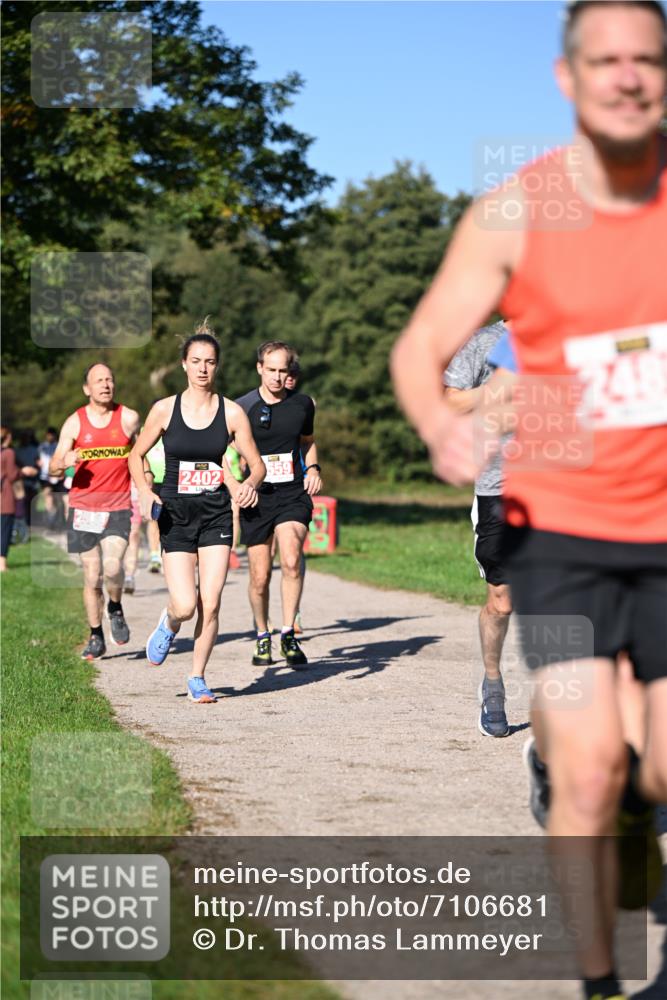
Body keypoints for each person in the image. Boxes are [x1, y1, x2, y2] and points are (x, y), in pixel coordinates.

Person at [391, 4, 667, 999]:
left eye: (647, 59)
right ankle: (601, 983)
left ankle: (621, 801)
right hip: (558, 534)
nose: (627, 76)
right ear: (567, 77)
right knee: (589, 766)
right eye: (606, 59)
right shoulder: (517, 211)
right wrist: (442, 424)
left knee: (658, 768)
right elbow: (421, 351)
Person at [129, 320, 265, 704]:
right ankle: (170, 621)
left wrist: (249, 486)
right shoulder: (164, 410)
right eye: (196, 361)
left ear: (217, 366)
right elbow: (136, 455)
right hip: (175, 515)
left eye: (210, 361)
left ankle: (197, 677)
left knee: (212, 600)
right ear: (184, 365)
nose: (203, 368)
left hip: (216, 514)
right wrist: (145, 490)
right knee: (186, 604)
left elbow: (257, 465)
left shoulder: (232, 413)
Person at [444, 321, 512, 737]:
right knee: (502, 603)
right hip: (498, 486)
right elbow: (451, 400)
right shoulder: (486, 341)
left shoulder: (567, 335)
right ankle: (492, 683)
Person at [237, 341, 321, 668]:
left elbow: (307, 442)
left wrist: (313, 469)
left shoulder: (302, 404)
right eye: (270, 369)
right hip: (257, 497)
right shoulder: (241, 407)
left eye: (282, 370)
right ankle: (262, 634)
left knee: (290, 559)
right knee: (259, 577)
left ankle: (288, 633)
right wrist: (238, 482)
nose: (276, 376)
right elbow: (223, 449)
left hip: (292, 494)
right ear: (259, 368)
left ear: (289, 372)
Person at [49, 364, 140, 659]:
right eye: (99, 381)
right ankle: (96, 635)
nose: (105, 385)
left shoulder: (128, 418)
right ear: (87, 388)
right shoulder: (74, 423)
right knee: (92, 575)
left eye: (109, 379)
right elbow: (53, 467)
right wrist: (64, 461)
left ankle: (115, 606)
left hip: (117, 506)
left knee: (112, 568)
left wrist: (147, 478)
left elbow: (139, 455)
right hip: (83, 508)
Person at [1, 427, 37, 571]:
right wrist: (24, 471)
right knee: (4, 530)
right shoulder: (8, 453)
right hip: (4, 496)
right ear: (8, 438)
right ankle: (1, 564)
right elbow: (12, 475)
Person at [38, 426, 67, 530]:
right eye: (48, 435)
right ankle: (51, 521)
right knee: (48, 498)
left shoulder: (59, 446)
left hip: (58, 477)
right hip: (46, 477)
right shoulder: (41, 447)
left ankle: (61, 520)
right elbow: (39, 458)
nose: (50, 437)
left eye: (52, 435)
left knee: (61, 500)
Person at [145, 429, 165, 574]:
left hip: (173, 480)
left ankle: (167, 556)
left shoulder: (175, 425)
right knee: (154, 519)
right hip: (153, 482)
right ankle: (154, 557)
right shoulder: (145, 430)